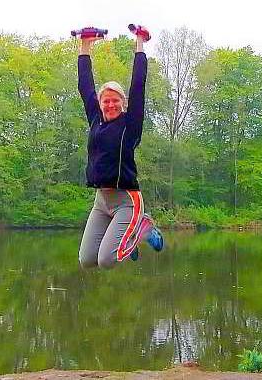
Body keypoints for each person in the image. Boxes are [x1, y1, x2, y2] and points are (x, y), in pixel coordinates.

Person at [77, 28, 163, 269]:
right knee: (87, 261)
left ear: (123, 103)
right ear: (101, 103)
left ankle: (142, 229)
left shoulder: (130, 124)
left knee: (106, 261)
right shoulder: (96, 119)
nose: (111, 104)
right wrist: (85, 47)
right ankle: (131, 237)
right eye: (107, 100)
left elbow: (138, 85)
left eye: (116, 100)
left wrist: (140, 44)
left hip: (127, 200)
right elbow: (85, 86)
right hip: (101, 201)